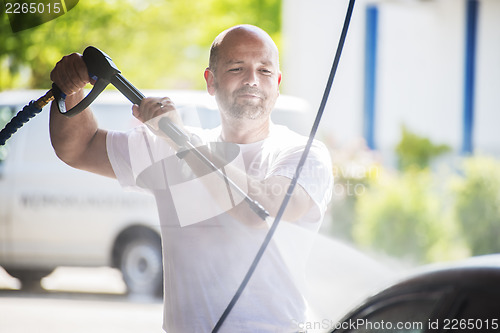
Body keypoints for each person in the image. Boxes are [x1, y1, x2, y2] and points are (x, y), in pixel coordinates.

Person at [50, 24, 333, 333]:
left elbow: (260, 210)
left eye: (265, 71)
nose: (252, 80)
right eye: (237, 68)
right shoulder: (170, 142)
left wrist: (181, 140)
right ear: (210, 82)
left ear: (277, 84)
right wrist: (70, 87)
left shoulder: (303, 154)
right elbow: (78, 148)